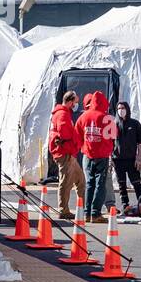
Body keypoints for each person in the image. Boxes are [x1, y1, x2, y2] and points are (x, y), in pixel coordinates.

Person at [75, 91, 116, 223]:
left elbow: (77, 135)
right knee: (100, 185)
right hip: (102, 156)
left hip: (87, 155)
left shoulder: (83, 117)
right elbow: (114, 136)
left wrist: (83, 147)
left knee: (89, 184)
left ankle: (87, 213)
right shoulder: (107, 118)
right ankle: (95, 213)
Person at [48, 91, 85, 219]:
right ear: (69, 101)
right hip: (65, 153)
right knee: (66, 182)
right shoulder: (62, 114)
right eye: (75, 102)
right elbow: (65, 133)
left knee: (80, 181)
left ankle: (82, 207)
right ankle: (63, 210)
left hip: (68, 153)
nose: (76, 105)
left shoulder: (61, 113)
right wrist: (75, 141)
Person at [112, 101, 141, 214]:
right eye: (119, 108)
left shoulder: (135, 124)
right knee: (121, 184)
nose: (121, 110)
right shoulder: (114, 124)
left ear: (127, 109)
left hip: (132, 159)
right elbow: (109, 143)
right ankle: (125, 205)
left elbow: (140, 142)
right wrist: (109, 159)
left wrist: (139, 157)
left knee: (136, 182)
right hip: (118, 160)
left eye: (123, 107)